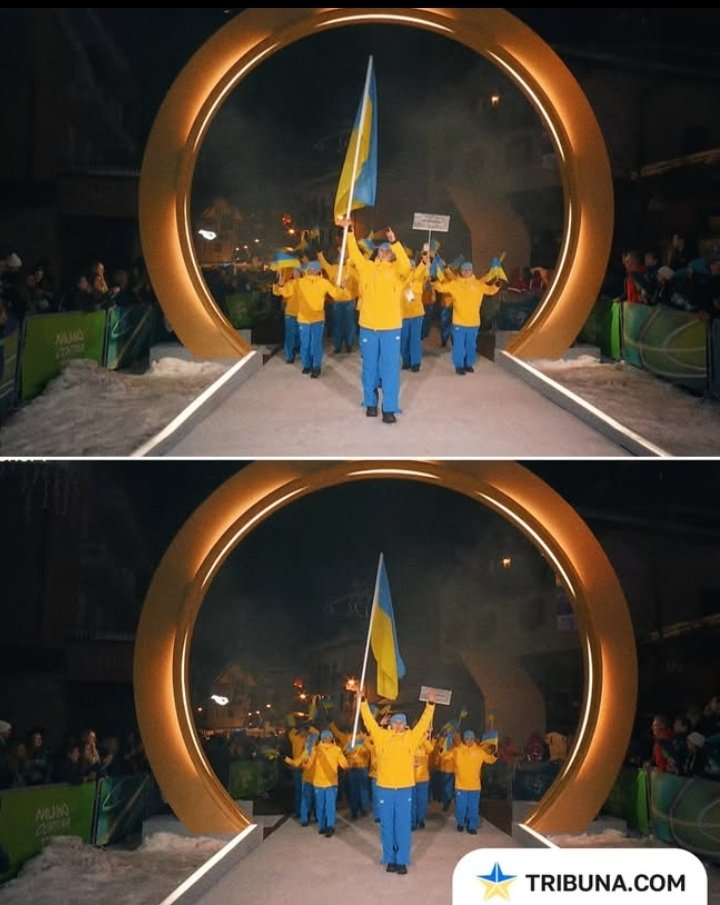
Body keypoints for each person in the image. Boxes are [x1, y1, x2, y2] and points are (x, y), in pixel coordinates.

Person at [359, 691, 435, 875]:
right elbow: (369, 721)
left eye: (401, 722)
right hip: (385, 788)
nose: (398, 725)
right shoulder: (381, 736)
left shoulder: (411, 738)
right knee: (387, 825)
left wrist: (430, 705)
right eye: (395, 722)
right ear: (390, 724)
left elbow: (423, 723)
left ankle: (401, 860)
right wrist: (362, 701)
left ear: (405, 725)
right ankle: (389, 858)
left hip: (404, 789)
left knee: (402, 825)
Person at [343, 222, 411, 424]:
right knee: (369, 367)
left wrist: (394, 242)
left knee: (390, 368)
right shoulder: (367, 267)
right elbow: (355, 255)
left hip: (390, 327)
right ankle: (370, 403)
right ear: (376, 252)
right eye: (381, 250)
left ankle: (389, 408)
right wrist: (349, 232)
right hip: (368, 326)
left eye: (387, 251)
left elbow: (406, 265)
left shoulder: (398, 272)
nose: (384, 252)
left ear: (392, 255)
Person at [432, 261, 501, 375]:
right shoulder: (455, 284)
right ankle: (459, 365)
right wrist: (434, 281)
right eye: (464, 270)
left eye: (468, 270)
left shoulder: (478, 284)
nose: (466, 272)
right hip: (459, 322)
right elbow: (441, 288)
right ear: (461, 271)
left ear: (472, 271)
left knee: (471, 345)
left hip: (473, 322)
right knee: (458, 345)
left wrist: (496, 285)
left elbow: (490, 290)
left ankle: (469, 364)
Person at [295, 260, 351, 378]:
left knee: (315, 343)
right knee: (306, 343)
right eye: (310, 269)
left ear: (317, 271)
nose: (311, 271)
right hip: (304, 319)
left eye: (313, 269)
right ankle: (307, 365)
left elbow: (335, 293)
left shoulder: (323, 283)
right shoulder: (300, 282)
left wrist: (342, 288)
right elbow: (286, 291)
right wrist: (280, 285)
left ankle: (316, 366)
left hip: (317, 319)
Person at [450, 730, 497, 834]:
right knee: (461, 807)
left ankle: (472, 826)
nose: (469, 741)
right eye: (467, 739)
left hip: (475, 786)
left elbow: (489, 759)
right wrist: (443, 749)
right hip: (461, 785)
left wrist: (494, 755)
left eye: (471, 739)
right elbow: (445, 756)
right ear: (464, 739)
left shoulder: (479, 751)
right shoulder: (457, 750)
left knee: (473, 807)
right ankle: (460, 823)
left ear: (474, 739)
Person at [304, 729, 349, 836]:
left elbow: (309, 765)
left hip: (326, 783)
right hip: (325, 783)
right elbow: (344, 765)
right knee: (325, 805)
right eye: (326, 738)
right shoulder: (322, 750)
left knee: (325, 805)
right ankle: (326, 826)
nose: (327, 739)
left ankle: (326, 826)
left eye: (328, 737)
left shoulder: (323, 749)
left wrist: (304, 764)